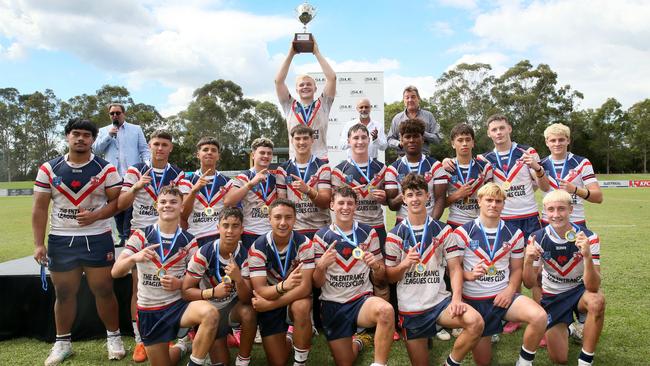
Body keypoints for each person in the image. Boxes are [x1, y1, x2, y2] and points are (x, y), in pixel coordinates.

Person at [33, 118, 125, 366]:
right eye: (76, 134)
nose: (81, 138)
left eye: (87, 135)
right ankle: (63, 343)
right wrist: (38, 244)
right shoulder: (49, 169)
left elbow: (118, 203)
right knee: (63, 293)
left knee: (104, 290)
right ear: (67, 136)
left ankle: (114, 337)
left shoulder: (106, 169)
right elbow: (40, 208)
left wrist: (96, 215)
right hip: (61, 239)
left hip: (97, 238)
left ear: (94, 140)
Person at [112, 185, 218, 366]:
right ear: (156, 205)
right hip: (149, 311)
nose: (168, 205)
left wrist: (180, 283)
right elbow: (116, 271)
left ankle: (195, 362)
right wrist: (134, 257)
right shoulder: (142, 235)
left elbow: (196, 278)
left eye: (173, 202)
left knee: (210, 313)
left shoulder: (189, 240)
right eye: (163, 202)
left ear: (182, 207)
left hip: (177, 306)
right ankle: (182, 347)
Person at [385, 174, 484, 366]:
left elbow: (455, 269)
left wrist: (456, 298)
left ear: (427, 197)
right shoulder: (394, 235)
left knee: (475, 322)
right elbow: (389, 277)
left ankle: (450, 363)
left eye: (419, 194)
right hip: (411, 308)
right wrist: (405, 264)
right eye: (410, 195)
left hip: (440, 303)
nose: (415, 199)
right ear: (404, 199)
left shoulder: (443, 230)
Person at [453, 183, 547, 366]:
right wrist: (469, 275)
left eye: (498, 201)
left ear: (504, 204)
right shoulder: (462, 233)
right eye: (488, 200)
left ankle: (524, 362)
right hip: (476, 302)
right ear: (479, 201)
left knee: (539, 316)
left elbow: (517, 269)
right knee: (483, 362)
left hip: (503, 298)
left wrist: (510, 290)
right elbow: (455, 270)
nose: (493, 205)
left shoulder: (514, 234)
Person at [117, 129, 191, 362]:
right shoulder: (135, 170)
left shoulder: (178, 174)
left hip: (170, 235)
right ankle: (141, 339)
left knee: (172, 284)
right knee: (139, 286)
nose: (160, 148)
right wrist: (137, 186)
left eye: (164, 145)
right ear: (149, 146)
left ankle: (170, 336)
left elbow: (185, 208)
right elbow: (121, 203)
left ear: (170, 148)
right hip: (143, 234)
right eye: (156, 144)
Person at [312, 186, 394, 366]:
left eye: (350, 203)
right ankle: (359, 341)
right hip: (332, 304)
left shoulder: (368, 232)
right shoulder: (321, 236)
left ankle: (379, 364)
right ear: (332, 205)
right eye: (340, 203)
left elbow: (381, 277)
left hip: (360, 301)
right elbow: (317, 283)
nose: (345, 207)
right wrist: (321, 265)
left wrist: (375, 266)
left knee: (386, 310)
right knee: (345, 362)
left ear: (356, 206)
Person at [523, 190, 605, 366]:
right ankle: (569, 327)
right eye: (551, 209)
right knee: (559, 359)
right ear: (545, 211)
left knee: (597, 301)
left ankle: (585, 360)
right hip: (554, 297)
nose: (556, 215)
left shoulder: (589, 237)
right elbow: (529, 283)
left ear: (571, 209)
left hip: (580, 292)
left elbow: (593, 286)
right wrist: (528, 262)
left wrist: (587, 257)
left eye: (561, 209)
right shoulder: (537, 237)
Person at [182, 207, 256, 366]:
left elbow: (247, 298)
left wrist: (239, 280)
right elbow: (185, 292)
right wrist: (213, 292)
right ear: (218, 228)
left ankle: (243, 361)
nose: (230, 231)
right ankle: (200, 340)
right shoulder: (204, 253)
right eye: (225, 225)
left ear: (242, 229)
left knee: (248, 312)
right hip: (208, 312)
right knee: (221, 363)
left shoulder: (245, 255)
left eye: (235, 226)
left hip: (231, 309)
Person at [247, 199, 315, 366]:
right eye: (277, 217)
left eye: (288, 217)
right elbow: (261, 291)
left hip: (292, 296)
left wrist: (270, 305)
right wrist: (283, 286)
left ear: (295, 219)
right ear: (269, 218)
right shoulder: (257, 247)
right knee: (277, 361)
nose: (283, 222)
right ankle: (291, 337)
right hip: (271, 294)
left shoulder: (305, 244)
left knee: (301, 307)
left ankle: (300, 362)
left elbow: (305, 288)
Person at [92, 103, 150, 246]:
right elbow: (96, 150)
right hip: (113, 175)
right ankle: (121, 235)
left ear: (123, 114)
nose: (115, 116)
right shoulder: (104, 131)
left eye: (118, 113)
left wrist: (148, 164)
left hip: (132, 174)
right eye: (112, 113)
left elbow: (144, 149)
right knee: (116, 207)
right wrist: (109, 135)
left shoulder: (136, 129)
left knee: (130, 206)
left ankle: (128, 235)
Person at [275, 39, 336, 161]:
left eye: (309, 84)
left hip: (319, 159)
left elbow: (332, 78)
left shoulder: (323, 104)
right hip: (296, 159)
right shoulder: (289, 105)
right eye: (301, 85)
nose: (305, 87)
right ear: (296, 90)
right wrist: (291, 54)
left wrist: (317, 53)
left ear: (315, 88)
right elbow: (278, 81)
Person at [540, 123, 603, 228]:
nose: (557, 143)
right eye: (553, 140)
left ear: (568, 140)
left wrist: (575, 189)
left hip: (575, 222)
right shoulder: (540, 165)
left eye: (561, 140)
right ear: (547, 142)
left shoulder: (582, 163)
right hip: (548, 223)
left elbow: (598, 197)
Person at [385, 118, 448, 223]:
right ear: (401, 140)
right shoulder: (393, 169)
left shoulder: (435, 166)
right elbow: (392, 205)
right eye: (407, 137)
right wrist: (407, 194)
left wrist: (431, 223)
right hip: (403, 224)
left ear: (422, 139)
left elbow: (440, 199)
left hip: (429, 221)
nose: (411, 140)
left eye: (415, 136)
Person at [277, 125, 332, 240]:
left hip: (320, 228)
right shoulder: (282, 169)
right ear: (292, 141)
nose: (301, 142)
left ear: (312, 140)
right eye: (297, 138)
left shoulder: (323, 167)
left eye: (305, 138)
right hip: (295, 229)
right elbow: (282, 205)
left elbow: (325, 202)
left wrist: (307, 190)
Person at [224, 137, 278, 250]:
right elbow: (228, 201)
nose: (266, 156)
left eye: (269, 153)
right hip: (250, 232)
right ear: (253, 155)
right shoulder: (244, 177)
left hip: (272, 232)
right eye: (262, 152)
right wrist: (250, 184)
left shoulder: (276, 178)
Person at [182, 137, 233, 247]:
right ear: (198, 154)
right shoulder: (187, 181)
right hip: (196, 236)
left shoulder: (228, 182)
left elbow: (232, 211)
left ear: (218, 156)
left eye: (213, 150)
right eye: (205, 150)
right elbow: (183, 214)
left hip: (219, 235)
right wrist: (194, 191)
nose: (209, 152)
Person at [445, 123, 493, 229]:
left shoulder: (485, 167)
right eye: (460, 140)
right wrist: (457, 194)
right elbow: (439, 203)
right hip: (455, 222)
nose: (464, 143)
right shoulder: (445, 169)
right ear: (453, 144)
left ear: (473, 143)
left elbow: (491, 197)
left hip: (480, 223)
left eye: (468, 139)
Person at [387, 86, 441, 154]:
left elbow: (437, 139)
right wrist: (399, 144)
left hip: (424, 157)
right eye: (407, 97)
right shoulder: (397, 118)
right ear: (404, 100)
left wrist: (422, 133)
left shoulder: (429, 116)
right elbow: (389, 139)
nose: (410, 100)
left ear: (418, 99)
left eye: (413, 97)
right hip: (402, 157)